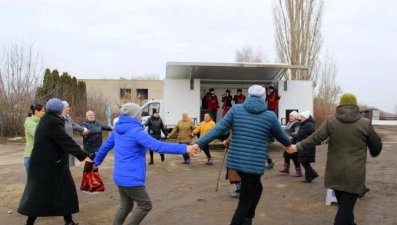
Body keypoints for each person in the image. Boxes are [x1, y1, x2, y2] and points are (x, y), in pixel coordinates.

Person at [193, 85, 292, 225]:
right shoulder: (270, 115)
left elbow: (218, 128)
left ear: (249, 96)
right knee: (244, 201)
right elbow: (282, 137)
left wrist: (199, 143)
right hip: (253, 166)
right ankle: (245, 220)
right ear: (263, 98)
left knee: (257, 189)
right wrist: (289, 145)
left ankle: (248, 219)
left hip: (236, 163)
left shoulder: (236, 109)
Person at [93, 103, 198, 225]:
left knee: (125, 206)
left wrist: (95, 163)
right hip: (131, 178)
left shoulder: (118, 130)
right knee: (145, 205)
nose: (141, 117)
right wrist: (185, 148)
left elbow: (105, 147)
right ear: (135, 116)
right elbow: (158, 146)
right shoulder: (136, 132)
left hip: (119, 176)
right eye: (140, 114)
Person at [286, 93, 382, 225]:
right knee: (344, 215)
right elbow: (377, 146)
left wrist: (297, 147)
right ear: (355, 105)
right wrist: (373, 151)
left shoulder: (331, 121)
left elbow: (315, 138)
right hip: (354, 175)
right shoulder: (365, 123)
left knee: (345, 211)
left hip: (335, 173)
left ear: (340, 104)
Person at [18, 98, 92, 225]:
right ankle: (29, 222)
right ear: (58, 110)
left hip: (55, 163)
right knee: (39, 194)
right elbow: (65, 141)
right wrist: (84, 156)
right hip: (47, 166)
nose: (66, 110)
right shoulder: (52, 123)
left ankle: (68, 221)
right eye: (63, 108)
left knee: (65, 191)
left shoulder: (49, 120)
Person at [62, 101, 89, 167]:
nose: (69, 108)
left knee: (68, 162)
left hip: (69, 142)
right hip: (62, 144)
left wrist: (84, 129)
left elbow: (74, 125)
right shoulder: (59, 118)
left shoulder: (68, 117)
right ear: (62, 108)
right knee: (64, 161)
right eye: (67, 107)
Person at [297, 110, 319, 183]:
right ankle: (311, 175)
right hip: (303, 146)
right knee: (304, 161)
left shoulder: (309, 125)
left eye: (302, 117)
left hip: (307, 146)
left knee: (304, 161)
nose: (301, 118)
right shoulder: (304, 124)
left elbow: (314, 134)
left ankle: (310, 176)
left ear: (306, 117)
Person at [23, 104, 45, 174]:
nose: (44, 113)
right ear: (36, 111)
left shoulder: (39, 121)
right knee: (32, 182)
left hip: (37, 155)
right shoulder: (31, 123)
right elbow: (40, 136)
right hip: (31, 156)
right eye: (42, 111)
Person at [279, 111, 302, 177]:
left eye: (292, 116)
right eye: (290, 116)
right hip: (287, 141)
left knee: (294, 157)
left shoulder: (297, 124)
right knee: (286, 155)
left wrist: (291, 135)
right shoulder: (289, 123)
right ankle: (286, 168)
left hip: (293, 142)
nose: (290, 117)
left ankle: (299, 171)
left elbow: (297, 132)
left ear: (295, 117)